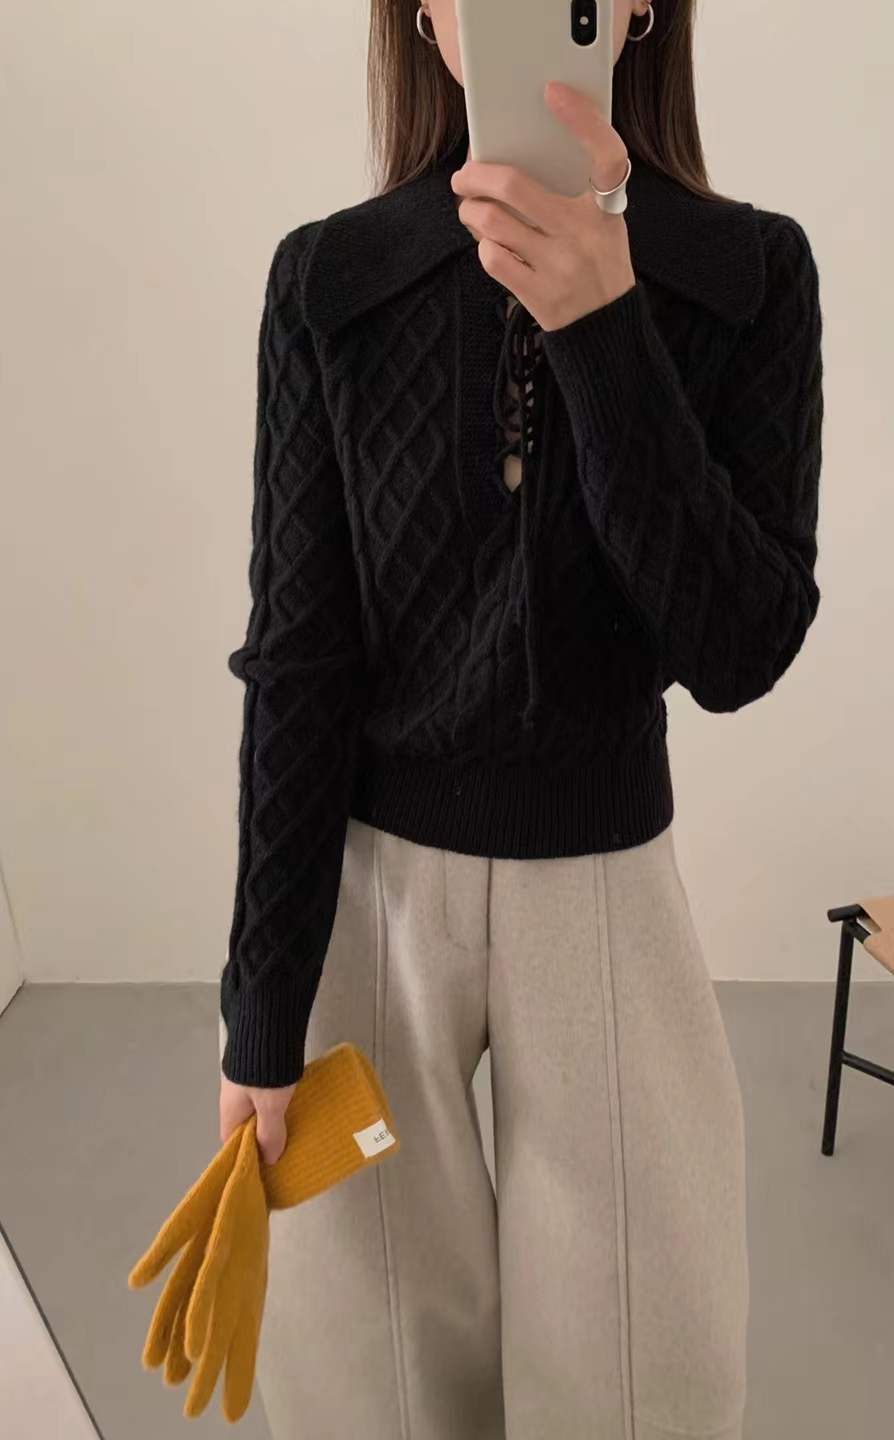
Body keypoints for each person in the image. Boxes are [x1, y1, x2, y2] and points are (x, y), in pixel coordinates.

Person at [216, 1, 824, 1436]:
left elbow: (740, 649)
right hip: (370, 914)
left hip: (606, 901)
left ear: (640, 8)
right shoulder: (331, 282)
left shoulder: (747, 274)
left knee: (642, 1377)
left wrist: (607, 328)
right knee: (370, 1375)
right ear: (424, 15)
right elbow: (300, 664)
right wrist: (260, 1008)